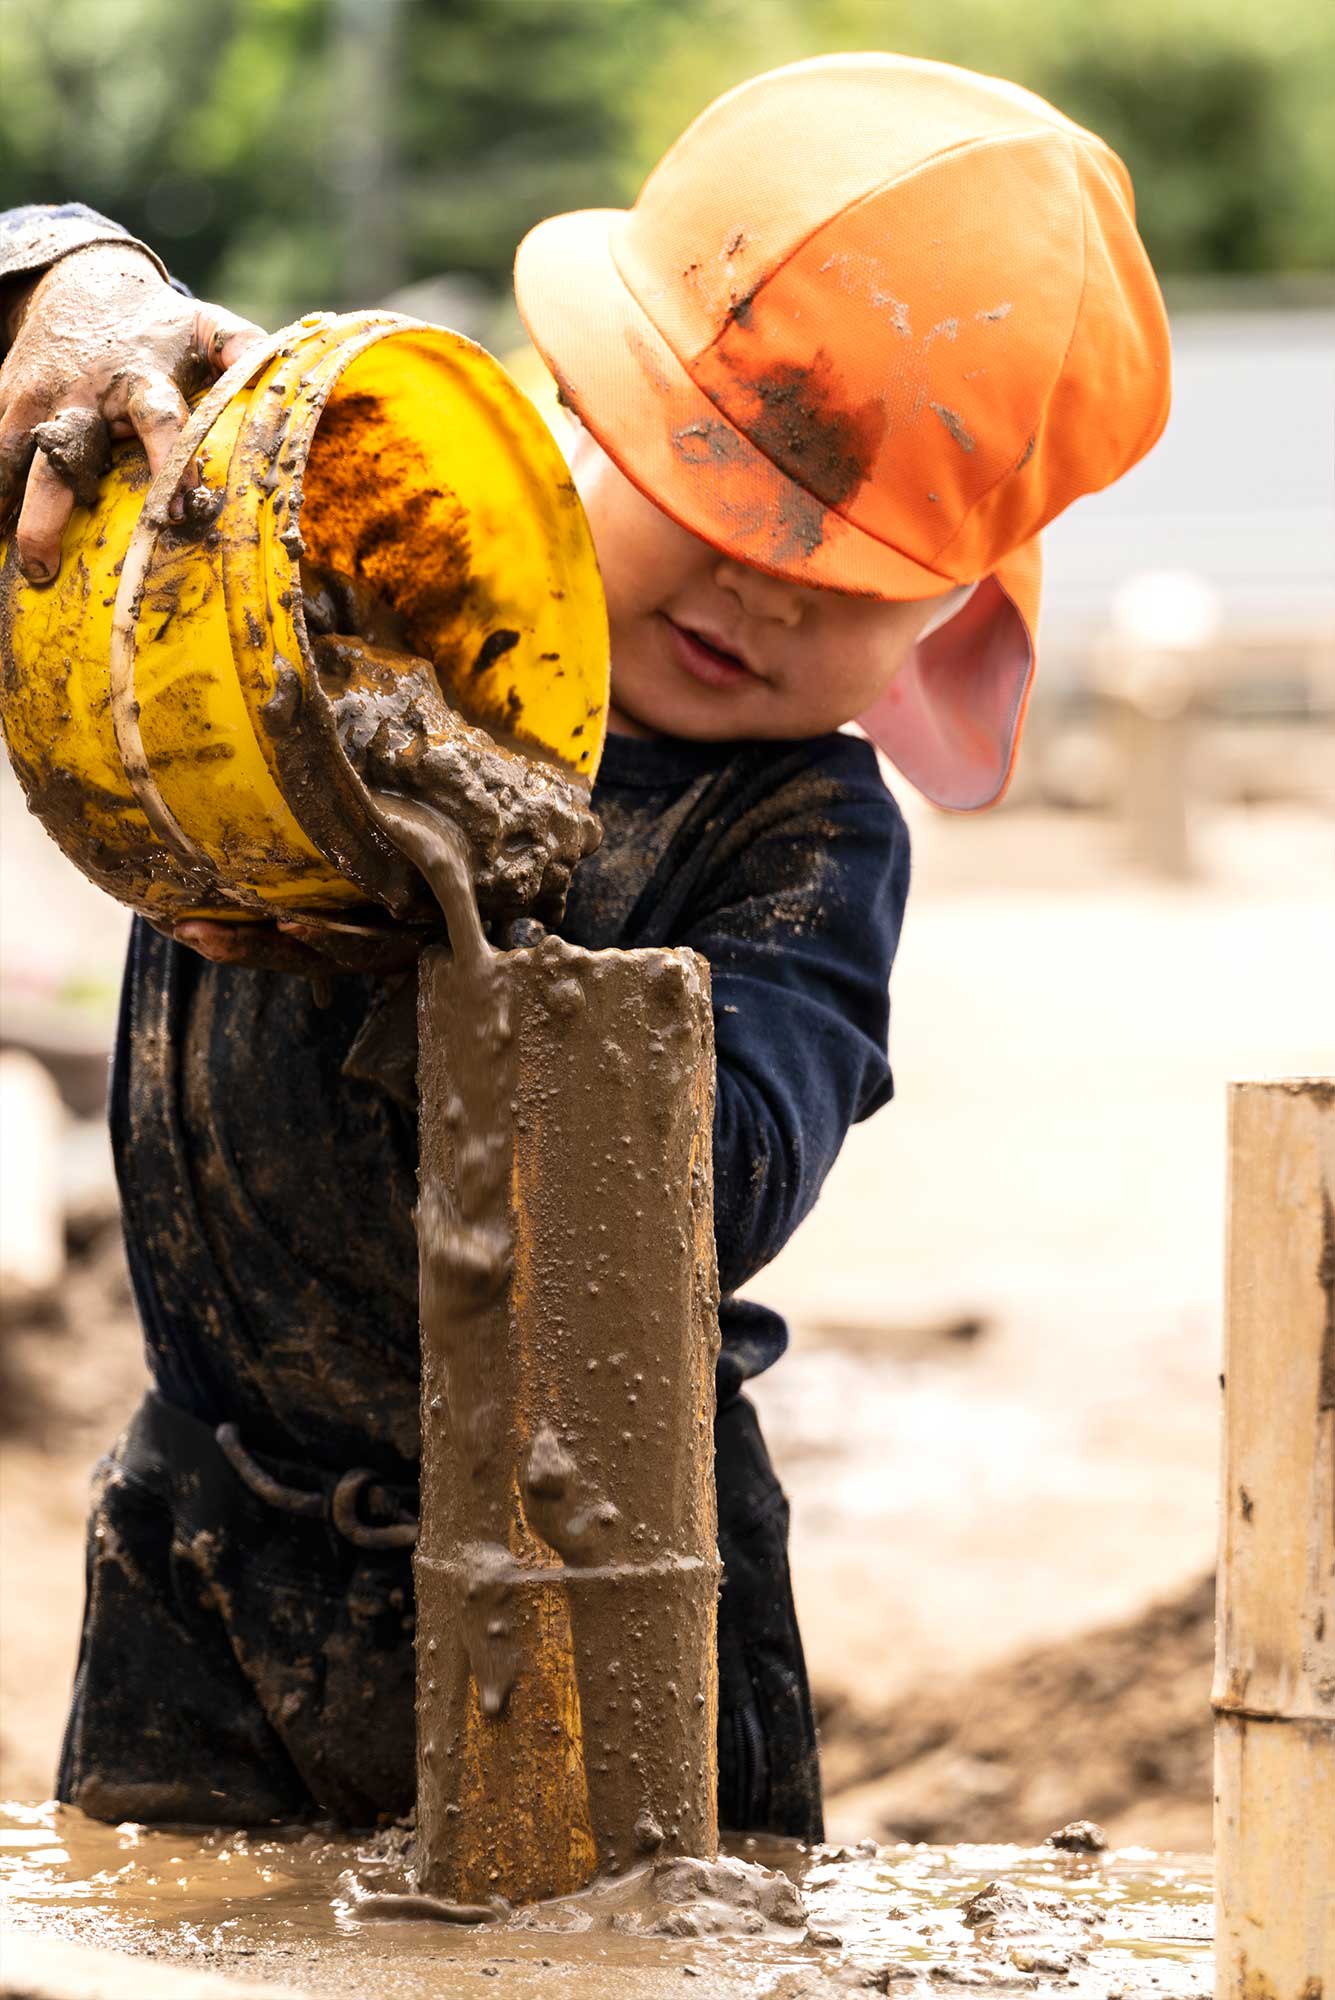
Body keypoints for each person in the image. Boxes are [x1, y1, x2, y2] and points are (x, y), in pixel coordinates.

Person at [0, 54, 1170, 1838]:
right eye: (717, 491)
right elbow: (67, 392)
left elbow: (725, 1180)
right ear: (583, 408)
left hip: (609, 1580)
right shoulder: (335, 584)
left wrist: (459, 940)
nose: (762, 585)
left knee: (626, 1939)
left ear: (951, 614)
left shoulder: (803, 837)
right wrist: (69, 283)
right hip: (209, 1533)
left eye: (848, 574)